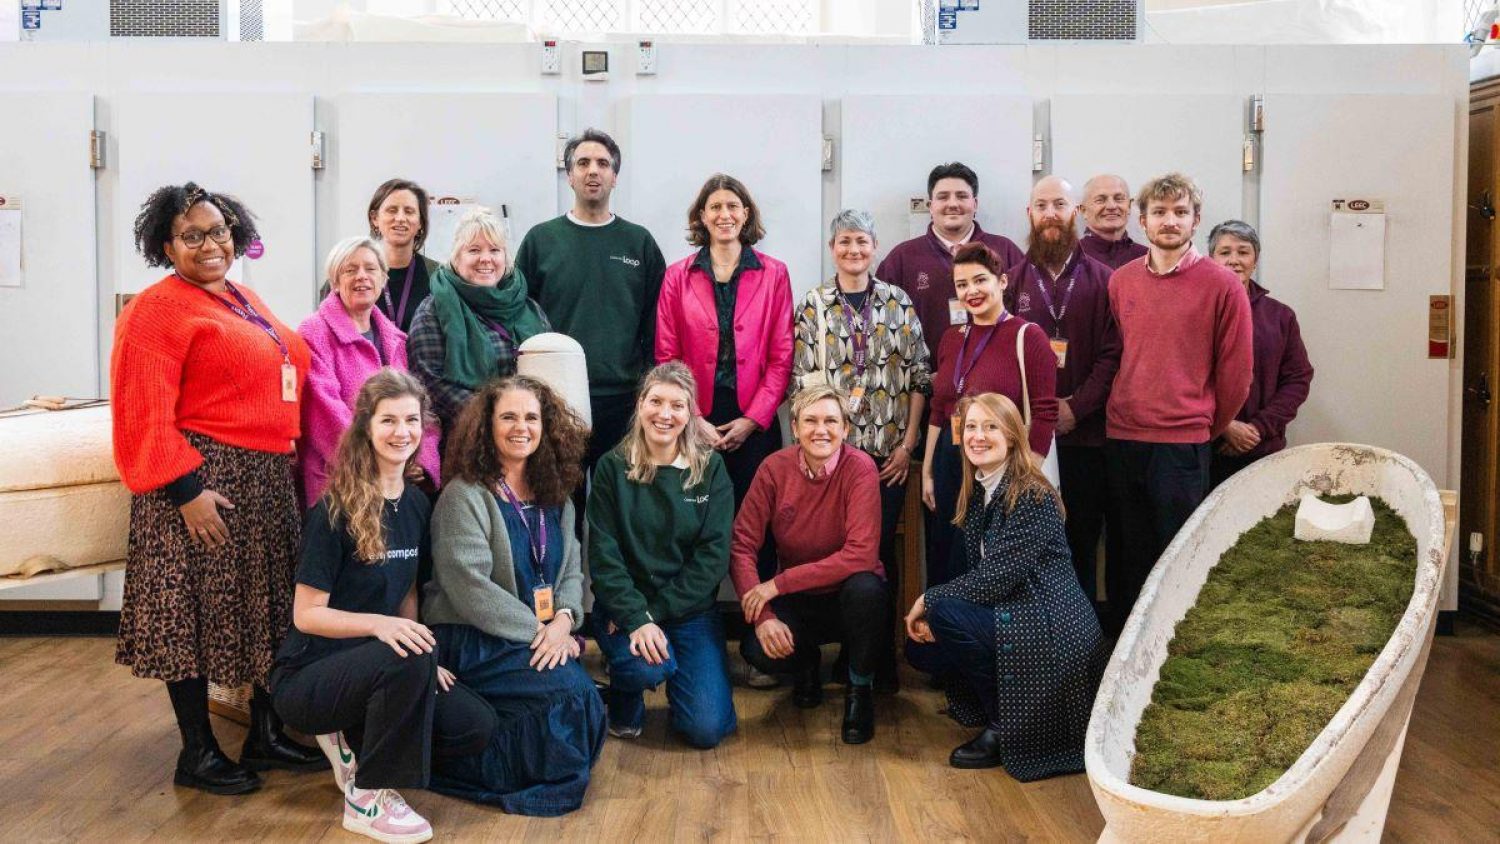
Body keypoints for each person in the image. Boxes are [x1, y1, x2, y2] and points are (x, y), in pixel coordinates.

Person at [111, 182, 324, 796]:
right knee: (193, 617)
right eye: (192, 236)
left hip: (263, 479)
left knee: (264, 609)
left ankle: (265, 733)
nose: (210, 245)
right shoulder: (155, 310)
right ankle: (197, 753)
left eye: (219, 231)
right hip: (203, 485)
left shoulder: (241, 297)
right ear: (166, 246)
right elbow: (141, 412)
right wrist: (186, 492)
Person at [270, 370, 496, 842]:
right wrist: (385, 633)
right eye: (388, 420)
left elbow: (407, 592)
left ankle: (356, 740)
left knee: (475, 726)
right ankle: (365, 797)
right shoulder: (333, 511)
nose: (402, 432)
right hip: (310, 676)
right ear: (366, 428)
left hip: (380, 668)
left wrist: (420, 658)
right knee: (404, 661)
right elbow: (306, 614)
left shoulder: (416, 504)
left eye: (411, 420)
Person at [422, 376, 605, 816]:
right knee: (569, 698)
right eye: (508, 417)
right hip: (472, 637)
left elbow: (571, 571)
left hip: (537, 635)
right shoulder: (463, 495)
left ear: (546, 426)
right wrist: (543, 633)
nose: (521, 427)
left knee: (585, 699)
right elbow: (470, 588)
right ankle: (459, 766)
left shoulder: (556, 495)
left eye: (531, 418)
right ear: (487, 426)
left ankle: (534, 761)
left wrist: (564, 621)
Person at [903, 393, 1104, 781]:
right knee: (924, 648)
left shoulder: (1031, 494)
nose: (978, 436)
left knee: (943, 613)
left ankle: (1003, 726)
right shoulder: (982, 490)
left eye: (990, 427)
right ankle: (1000, 707)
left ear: (1012, 436)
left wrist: (928, 598)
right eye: (971, 427)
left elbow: (993, 579)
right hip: (1019, 607)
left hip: (1051, 623)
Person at [1104, 173, 1253, 637]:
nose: (1170, 221)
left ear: (1196, 220)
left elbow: (1236, 375)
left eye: (1180, 212)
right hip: (1123, 437)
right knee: (1127, 557)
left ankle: (1170, 653)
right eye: (1160, 212)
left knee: (1177, 557)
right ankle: (1123, 658)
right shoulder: (1121, 281)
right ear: (1142, 220)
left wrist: (1204, 424)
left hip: (1182, 443)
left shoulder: (1222, 285)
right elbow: (1121, 352)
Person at [791, 208, 931, 689]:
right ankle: (834, 654)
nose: (853, 250)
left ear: (875, 248)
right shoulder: (814, 305)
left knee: (876, 556)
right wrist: (817, 452)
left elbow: (919, 376)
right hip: (832, 459)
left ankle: (875, 663)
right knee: (832, 550)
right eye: (845, 241)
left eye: (862, 241)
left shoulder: (898, 301)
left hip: (888, 458)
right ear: (833, 248)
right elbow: (801, 383)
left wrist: (908, 445)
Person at [587, 362, 738, 748]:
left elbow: (712, 558)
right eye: (655, 401)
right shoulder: (611, 467)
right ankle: (624, 695)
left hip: (690, 612)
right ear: (640, 404)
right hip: (627, 610)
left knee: (706, 729)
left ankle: (685, 672)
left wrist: (653, 614)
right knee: (645, 668)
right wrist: (635, 617)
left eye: (677, 405)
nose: (665, 414)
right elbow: (604, 556)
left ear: (690, 413)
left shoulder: (710, 469)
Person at [731, 385, 887, 745]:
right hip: (799, 601)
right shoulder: (773, 469)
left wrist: (777, 584)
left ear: (845, 429)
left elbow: (861, 555)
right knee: (755, 649)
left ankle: (859, 689)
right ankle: (806, 665)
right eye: (810, 421)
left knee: (867, 588)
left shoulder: (860, 468)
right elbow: (742, 545)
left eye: (831, 421)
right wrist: (764, 616)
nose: (821, 430)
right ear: (795, 427)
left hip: (848, 598)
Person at [515, 128, 667, 470]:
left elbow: (655, 322)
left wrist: (649, 386)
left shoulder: (638, 242)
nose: (593, 171)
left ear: (615, 177)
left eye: (602, 163)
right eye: (583, 163)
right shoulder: (541, 240)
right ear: (569, 176)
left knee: (618, 491)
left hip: (624, 398)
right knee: (560, 492)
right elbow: (521, 317)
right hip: (555, 396)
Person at [1004, 176, 1119, 608]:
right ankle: (1038, 632)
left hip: (1087, 437)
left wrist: (1077, 407)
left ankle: (1082, 637)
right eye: (1041, 205)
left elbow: (1113, 354)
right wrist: (1040, 414)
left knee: (1082, 541)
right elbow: (1003, 354)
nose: (1050, 214)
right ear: (1029, 214)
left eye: (1059, 205)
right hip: (1028, 441)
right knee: (1030, 543)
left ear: (1076, 213)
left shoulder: (1106, 280)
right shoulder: (1011, 282)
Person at [921, 242, 1057, 593]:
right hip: (950, 460)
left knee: (986, 562)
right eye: (962, 284)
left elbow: (1045, 414)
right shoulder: (952, 338)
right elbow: (939, 407)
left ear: (1002, 282)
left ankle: (979, 627)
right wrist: (928, 470)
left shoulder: (1028, 336)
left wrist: (1024, 480)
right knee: (945, 555)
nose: (972, 291)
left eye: (980, 280)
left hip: (999, 467)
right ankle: (941, 623)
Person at [656, 173, 793, 509]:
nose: (724, 214)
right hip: (694, 413)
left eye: (732, 206)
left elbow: (782, 357)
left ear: (746, 213)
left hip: (755, 416)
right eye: (715, 207)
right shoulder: (677, 276)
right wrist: (693, 417)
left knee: (755, 514)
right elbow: (667, 357)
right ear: (702, 216)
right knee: (696, 511)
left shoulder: (774, 274)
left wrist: (753, 420)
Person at [299, 235, 442, 508]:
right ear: (335, 280)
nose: (361, 276)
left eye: (370, 268)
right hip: (340, 481)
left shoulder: (396, 339)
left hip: (395, 481)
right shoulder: (313, 333)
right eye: (350, 270)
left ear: (383, 278)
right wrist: (385, 461)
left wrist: (421, 460)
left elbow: (422, 410)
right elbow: (324, 413)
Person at [408, 207, 549, 433]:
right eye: (474, 250)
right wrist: (496, 419)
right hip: (467, 437)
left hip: (527, 436)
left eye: (494, 250)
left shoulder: (529, 308)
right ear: (457, 257)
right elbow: (430, 382)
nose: (486, 259)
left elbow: (549, 372)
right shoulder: (433, 311)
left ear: (505, 257)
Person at [1207, 220, 1314, 486]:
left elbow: (1297, 379)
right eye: (1224, 252)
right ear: (1211, 260)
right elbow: (1184, 379)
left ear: (1255, 260)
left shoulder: (1280, 316)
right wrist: (1225, 426)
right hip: (1207, 450)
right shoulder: (1196, 313)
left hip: (1264, 448)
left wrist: (1258, 428)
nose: (1234, 260)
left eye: (1243, 252)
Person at [876, 162, 1024, 349]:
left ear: (975, 204)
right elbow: (881, 325)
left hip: (997, 365)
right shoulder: (901, 259)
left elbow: (1026, 313)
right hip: (926, 367)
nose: (953, 204)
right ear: (930, 206)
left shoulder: (1006, 251)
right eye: (943, 197)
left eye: (961, 196)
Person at [367, 178, 439, 333]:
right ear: (375, 218)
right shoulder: (352, 275)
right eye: (392, 210)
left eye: (409, 211)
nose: (400, 218)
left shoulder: (439, 277)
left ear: (420, 222)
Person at [1078, 174, 1149, 270]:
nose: (1111, 206)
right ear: (1084, 210)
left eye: (1119, 199)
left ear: (1129, 206)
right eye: (1100, 200)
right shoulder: (1071, 258)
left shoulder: (1148, 258)